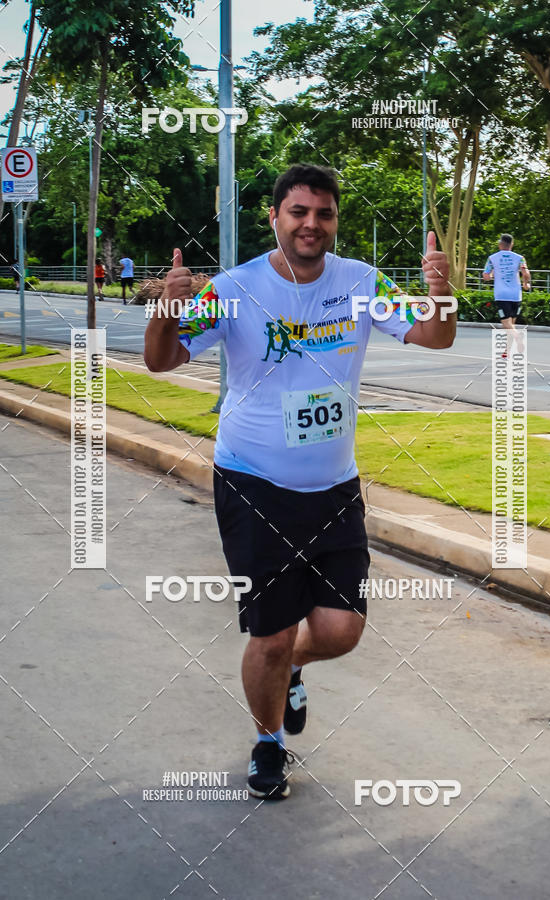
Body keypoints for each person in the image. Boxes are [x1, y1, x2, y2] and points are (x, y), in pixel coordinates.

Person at [144, 164, 456, 801]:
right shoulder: (234, 288)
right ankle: (268, 743)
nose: (312, 224)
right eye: (299, 212)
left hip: (336, 486)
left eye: (324, 213)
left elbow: (434, 336)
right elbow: (162, 359)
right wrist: (166, 312)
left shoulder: (363, 282)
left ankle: (290, 673)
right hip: (254, 483)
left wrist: (441, 292)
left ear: (334, 221)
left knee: (341, 631)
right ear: (275, 218)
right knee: (272, 632)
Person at [483, 233, 530, 355]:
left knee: (506, 324)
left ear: (500, 244)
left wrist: (492, 275)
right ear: (512, 245)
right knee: (511, 325)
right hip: (516, 295)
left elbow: (486, 277)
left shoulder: (492, 258)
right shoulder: (520, 258)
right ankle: (507, 351)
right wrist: (526, 284)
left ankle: (518, 338)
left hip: (501, 295)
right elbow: (526, 273)